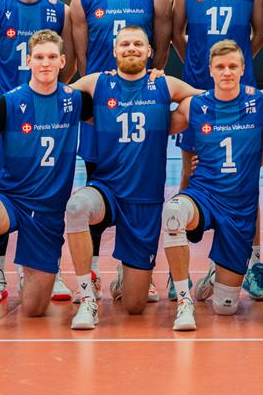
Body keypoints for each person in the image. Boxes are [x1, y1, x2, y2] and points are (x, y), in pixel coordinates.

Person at [62, 25, 198, 328]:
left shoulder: (164, 84)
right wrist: (1, 108)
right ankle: (87, 297)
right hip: (107, 189)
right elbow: (55, 94)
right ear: (115, 51)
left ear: (149, 51)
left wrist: (172, 126)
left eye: (138, 44)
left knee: (135, 306)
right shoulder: (98, 82)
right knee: (76, 207)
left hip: (145, 200)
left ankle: (126, 275)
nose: (131, 48)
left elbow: (210, 100)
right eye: (125, 44)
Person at [160, 40, 263, 331]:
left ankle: (216, 276)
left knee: (226, 309)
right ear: (210, 70)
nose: (227, 72)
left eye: (233, 66)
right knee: (172, 211)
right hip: (203, 196)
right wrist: (149, 80)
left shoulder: (260, 101)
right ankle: (184, 301)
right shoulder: (194, 105)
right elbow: (155, 121)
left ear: (243, 69)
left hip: (239, 208)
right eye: (220, 67)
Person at [170, 0, 263, 300]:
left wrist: (233, 69)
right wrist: (202, 68)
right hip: (199, 84)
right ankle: (183, 263)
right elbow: (177, 31)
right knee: (189, 168)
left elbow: (259, 32)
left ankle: (254, 261)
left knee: (245, 176)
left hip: (237, 85)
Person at [0, 31, 83, 332]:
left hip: (48, 213)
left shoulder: (75, 100)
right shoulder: (7, 104)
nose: (45, 63)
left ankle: (30, 269)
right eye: (39, 57)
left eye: (51, 57)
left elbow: (109, 90)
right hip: (12, 200)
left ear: (63, 61)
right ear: (28, 61)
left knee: (34, 310)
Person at [0, 0, 68, 303]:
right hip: (9, 123)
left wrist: (49, 96)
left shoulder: (59, 10)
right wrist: (2, 105)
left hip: (47, 119)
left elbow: (69, 61)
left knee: (50, 196)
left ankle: (49, 269)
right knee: (2, 192)